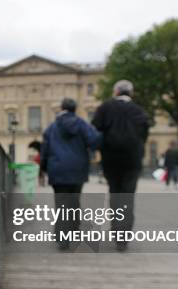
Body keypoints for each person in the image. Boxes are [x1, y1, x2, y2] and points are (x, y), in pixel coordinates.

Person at [92, 80, 150, 251]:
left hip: (111, 159)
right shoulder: (139, 111)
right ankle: (124, 235)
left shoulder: (104, 108)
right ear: (130, 93)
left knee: (115, 193)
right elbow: (144, 134)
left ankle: (117, 231)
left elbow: (95, 129)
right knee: (128, 195)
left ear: (116, 92)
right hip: (132, 160)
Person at [40, 98, 101, 250]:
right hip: (78, 168)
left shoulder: (52, 127)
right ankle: (73, 231)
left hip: (58, 169)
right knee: (74, 200)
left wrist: (44, 168)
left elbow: (45, 151)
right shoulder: (82, 124)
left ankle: (62, 237)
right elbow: (94, 141)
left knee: (61, 203)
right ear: (75, 109)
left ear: (62, 108)